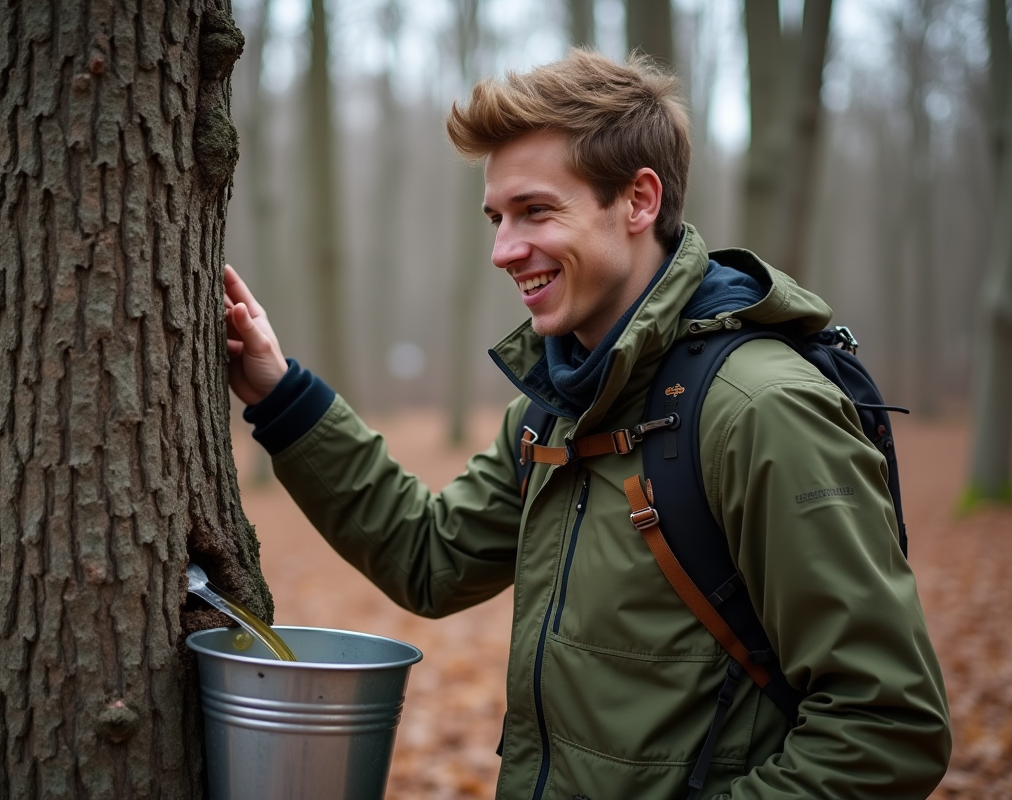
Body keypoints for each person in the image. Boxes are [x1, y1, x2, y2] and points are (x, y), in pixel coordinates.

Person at [225, 50, 951, 800]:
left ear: (638, 201)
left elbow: (886, 727)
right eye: (498, 218)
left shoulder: (760, 410)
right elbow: (432, 558)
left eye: (536, 211)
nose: (505, 250)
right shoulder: (556, 405)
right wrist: (285, 399)